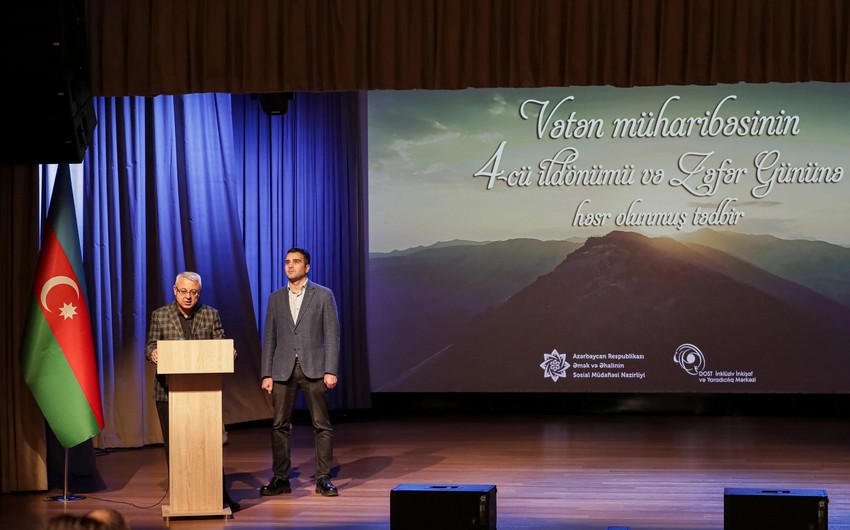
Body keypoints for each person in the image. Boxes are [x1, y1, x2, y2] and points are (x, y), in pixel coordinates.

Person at [145, 271, 240, 512]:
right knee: (175, 446)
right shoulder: (160, 315)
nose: (188, 296)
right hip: (168, 393)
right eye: (184, 291)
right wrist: (154, 353)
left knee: (207, 444)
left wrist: (230, 352)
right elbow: (150, 346)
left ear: (199, 293)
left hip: (204, 394)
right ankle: (182, 497)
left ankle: (218, 496)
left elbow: (221, 342)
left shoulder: (210, 314)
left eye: (193, 292)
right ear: (174, 290)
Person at [260, 248, 341, 497]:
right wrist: (266, 373)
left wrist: (331, 370)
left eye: (296, 262)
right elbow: (270, 338)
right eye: (287, 262)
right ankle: (281, 478)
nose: (290, 266)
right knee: (279, 425)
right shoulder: (275, 298)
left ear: (307, 267)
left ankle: (323, 478)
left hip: (315, 368)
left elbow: (333, 335)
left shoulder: (323, 295)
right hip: (282, 369)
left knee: (321, 425)